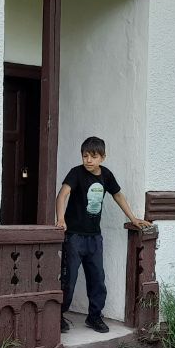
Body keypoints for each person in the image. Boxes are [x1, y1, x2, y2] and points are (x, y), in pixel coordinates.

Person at [55, 136, 150, 333]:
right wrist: (61, 219)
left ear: (103, 158)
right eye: (85, 156)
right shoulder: (76, 173)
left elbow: (117, 195)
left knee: (97, 278)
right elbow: (63, 194)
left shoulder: (106, 175)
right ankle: (58, 316)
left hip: (94, 238)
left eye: (93, 156)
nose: (88, 160)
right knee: (68, 279)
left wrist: (133, 218)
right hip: (74, 237)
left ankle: (94, 317)